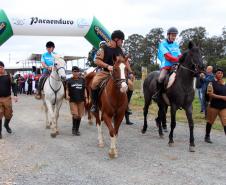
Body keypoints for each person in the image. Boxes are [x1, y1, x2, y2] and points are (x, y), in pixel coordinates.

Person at [90, 30, 125, 113]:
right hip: (105, 72)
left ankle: (126, 106)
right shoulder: (104, 48)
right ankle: (95, 105)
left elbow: (123, 62)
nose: (122, 42)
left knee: (130, 84)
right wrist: (107, 66)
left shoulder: (120, 50)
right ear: (116, 39)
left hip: (118, 74)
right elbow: (97, 61)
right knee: (94, 83)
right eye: (121, 40)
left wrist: (129, 71)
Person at [153, 27, 181, 100]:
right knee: (161, 78)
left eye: (175, 35)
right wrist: (178, 59)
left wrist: (181, 59)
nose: (174, 37)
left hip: (176, 65)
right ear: (168, 35)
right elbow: (167, 56)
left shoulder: (176, 44)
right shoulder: (163, 44)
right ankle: (157, 94)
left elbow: (179, 54)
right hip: (166, 65)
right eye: (172, 35)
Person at [204, 68, 226, 143]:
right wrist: (222, 97)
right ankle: (207, 136)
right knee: (210, 121)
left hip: (223, 107)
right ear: (215, 74)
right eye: (218, 73)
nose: (220, 74)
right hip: (213, 106)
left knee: (225, 121)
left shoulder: (224, 83)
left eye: (221, 73)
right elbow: (210, 94)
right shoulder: (211, 83)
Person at [66, 66, 87, 136]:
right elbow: (67, 89)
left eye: (77, 71)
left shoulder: (82, 80)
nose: (76, 73)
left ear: (79, 72)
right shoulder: (69, 80)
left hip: (81, 100)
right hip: (72, 100)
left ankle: (77, 130)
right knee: (75, 115)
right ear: (72, 72)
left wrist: (86, 96)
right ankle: (73, 129)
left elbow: (84, 89)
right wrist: (67, 95)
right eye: (74, 71)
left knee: (79, 116)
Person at [0, 61, 18, 139]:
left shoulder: (9, 76)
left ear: (3, 67)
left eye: (0, 67)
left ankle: (6, 125)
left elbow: (14, 85)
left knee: (9, 114)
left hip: (7, 98)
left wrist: (15, 95)